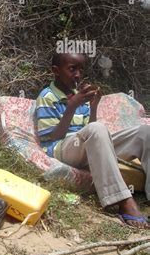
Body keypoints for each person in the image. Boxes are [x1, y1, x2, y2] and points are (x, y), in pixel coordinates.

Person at [35, 52, 149, 229]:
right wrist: (71, 107)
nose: (78, 75)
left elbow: (92, 131)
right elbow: (52, 137)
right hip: (62, 149)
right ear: (56, 71)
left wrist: (93, 107)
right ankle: (122, 200)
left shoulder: (79, 95)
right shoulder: (47, 96)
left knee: (145, 132)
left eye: (81, 69)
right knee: (97, 129)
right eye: (72, 69)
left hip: (85, 147)